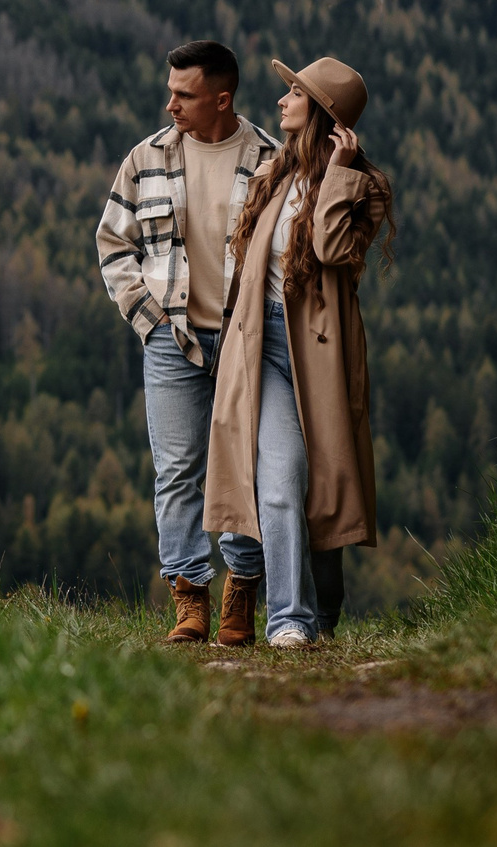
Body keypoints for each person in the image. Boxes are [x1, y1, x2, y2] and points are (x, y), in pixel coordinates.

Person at [204, 56, 397, 649]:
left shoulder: (361, 188)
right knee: (281, 478)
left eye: (294, 93)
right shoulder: (275, 175)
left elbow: (333, 248)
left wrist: (337, 171)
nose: (282, 99)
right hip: (261, 347)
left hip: (317, 357)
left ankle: (320, 612)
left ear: (321, 113)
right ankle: (289, 620)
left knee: (325, 490)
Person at [96, 41, 279, 644]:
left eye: (184, 94)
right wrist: (148, 321)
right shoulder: (145, 158)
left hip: (243, 341)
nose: (169, 102)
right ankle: (189, 598)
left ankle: (241, 593)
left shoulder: (271, 161)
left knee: (242, 469)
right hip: (170, 339)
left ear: (221, 99)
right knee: (176, 472)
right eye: (171, 90)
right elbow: (112, 244)